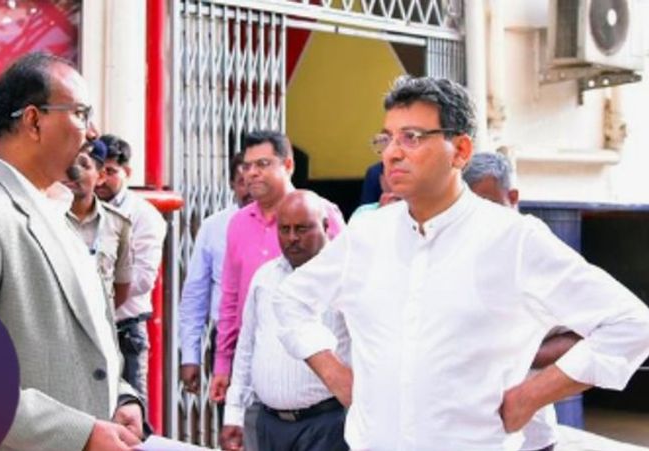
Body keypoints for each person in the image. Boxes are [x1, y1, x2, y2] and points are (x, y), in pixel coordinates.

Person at [273, 76, 649, 450]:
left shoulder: (514, 240)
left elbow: (631, 325)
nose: (392, 153)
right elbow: (291, 300)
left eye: (412, 137)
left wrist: (532, 395)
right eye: (386, 139)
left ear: (461, 150)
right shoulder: (367, 235)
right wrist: (335, 374)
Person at [0, 52, 145, 451]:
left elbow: (83, 343)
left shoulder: (56, 210)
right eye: (80, 112)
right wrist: (80, 434)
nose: (93, 132)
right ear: (33, 121)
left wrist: (121, 395)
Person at [209, 130, 346, 402]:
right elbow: (231, 298)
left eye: (262, 164)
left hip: (312, 378)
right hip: (257, 368)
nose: (252, 174)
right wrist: (223, 363)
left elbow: (349, 287)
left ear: (288, 165)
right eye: (247, 166)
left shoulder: (322, 214)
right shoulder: (238, 223)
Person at [464, 152, 582, 451]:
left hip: (531, 438)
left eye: (487, 205)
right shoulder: (459, 251)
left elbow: (588, 332)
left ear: (512, 197)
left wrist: (521, 355)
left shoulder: (537, 252)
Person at [220, 190, 350, 451]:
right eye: (285, 229)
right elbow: (247, 348)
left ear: (325, 227)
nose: (292, 238)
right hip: (269, 425)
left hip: (327, 425)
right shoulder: (264, 277)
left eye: (302, 229)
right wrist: (233, 414)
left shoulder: (346, 278)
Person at [95, 134, 167, 401]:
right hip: (89, 328)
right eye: (98, 169)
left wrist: (96, 294)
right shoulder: (78, 207)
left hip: (126, 328)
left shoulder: (146, 216)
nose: (101, 179)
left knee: (132, 411)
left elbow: (143, 279)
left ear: (127, 172)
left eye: (111, 172)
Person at [178, 154, 251, 394]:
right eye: (242, 182)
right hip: (229, 339)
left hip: (277, 336)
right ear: (231, 184)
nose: (249, 189)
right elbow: (195, 293)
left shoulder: (289, 221)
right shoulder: (214, 227)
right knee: (230, 423)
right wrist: (190, 355)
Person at [65, 139, 132, 313]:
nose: (73, 172)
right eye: (68, 164)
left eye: (84, 166)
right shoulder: (43, 217)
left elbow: (121, 287)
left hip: (99, 331)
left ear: (100, 176)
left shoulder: (118, 223)